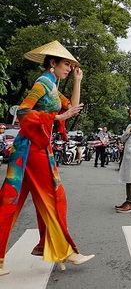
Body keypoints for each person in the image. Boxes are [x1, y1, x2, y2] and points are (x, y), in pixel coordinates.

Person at [0, 40, 94, 277]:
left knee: (13, 201)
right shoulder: (42, 84)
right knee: (54, 197)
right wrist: (59, 118)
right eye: (66, 64)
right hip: (31, 148)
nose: (68, 69)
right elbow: (23, 112)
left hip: (36, 147)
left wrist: (77, 81)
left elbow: (72, 106)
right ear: (52, 63)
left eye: (71, 66)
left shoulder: (53, 87)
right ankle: (64, 251)